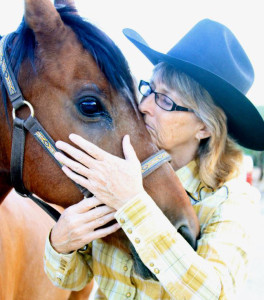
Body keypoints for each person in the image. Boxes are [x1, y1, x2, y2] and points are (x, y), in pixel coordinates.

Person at [44, 19, 264, 299]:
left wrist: (132, 203)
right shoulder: (117, 166)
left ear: (205, 127)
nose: (144, 106)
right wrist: (61, 242)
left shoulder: (230, 199)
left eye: (166, 101)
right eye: (149, 90)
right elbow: (73, 279)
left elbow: (213, 293)